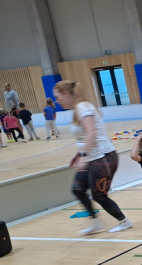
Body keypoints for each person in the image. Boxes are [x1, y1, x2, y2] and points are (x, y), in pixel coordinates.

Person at [53, 80, 133, 235]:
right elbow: (84, 137)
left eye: (57, 97)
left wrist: (84, 156)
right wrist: (79, 155)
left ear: (66, 93)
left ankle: (124, 221)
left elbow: (92, 132)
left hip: (103, 157)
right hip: (93, 157)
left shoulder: (83, 108)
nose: (57, 101)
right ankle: (96, 223)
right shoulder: (78, 109)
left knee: (99, 195)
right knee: (78, 189)